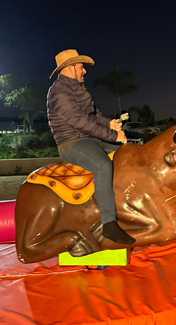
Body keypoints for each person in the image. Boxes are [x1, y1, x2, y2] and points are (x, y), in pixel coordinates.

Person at [47, 49, 135, 245]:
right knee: (103, 165)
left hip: (90, 138)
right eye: (81, 67)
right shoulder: (59, 91)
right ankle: (109, 223)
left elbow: (94, 115)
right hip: (72, 142)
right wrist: (113, 135)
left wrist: (110, 123)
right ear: (70, 68)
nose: (84, 71)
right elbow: (79, 121)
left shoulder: (79, 89)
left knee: (127, 155)